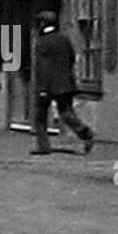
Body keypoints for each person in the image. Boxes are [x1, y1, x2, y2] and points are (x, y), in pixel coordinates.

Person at [30, 10, 95, 156]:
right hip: (65, 83)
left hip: (47, 85)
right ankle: (85, 133)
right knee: (66, 112)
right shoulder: (64, 39)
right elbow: (71, 57)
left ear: (43, 24)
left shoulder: (42, 42)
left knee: (39, 116)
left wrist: (42, 88)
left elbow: (42, 67)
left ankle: (43, 146)